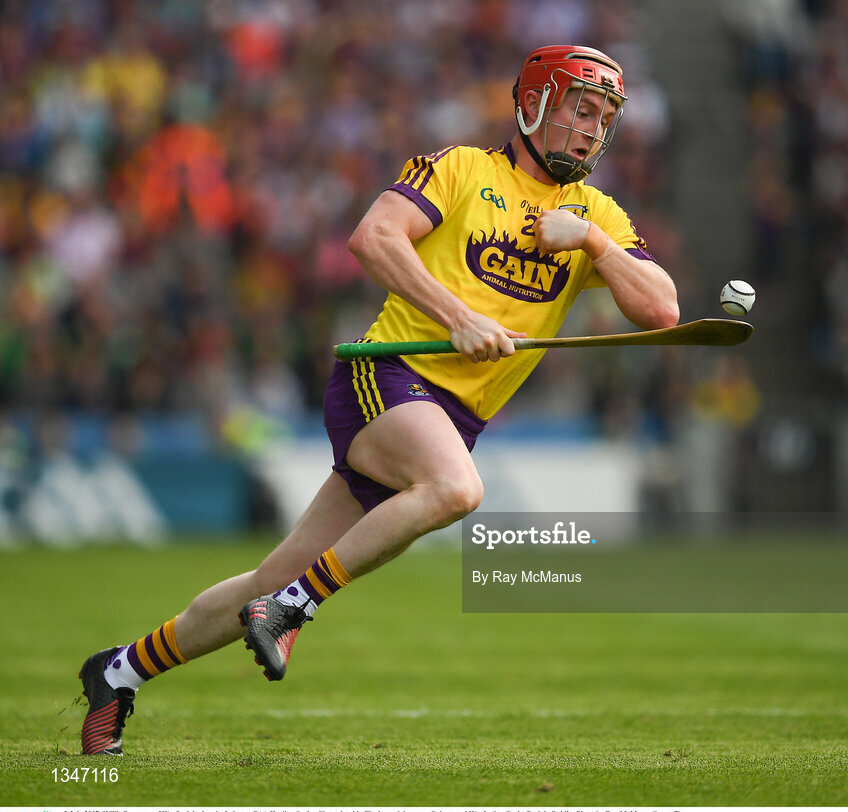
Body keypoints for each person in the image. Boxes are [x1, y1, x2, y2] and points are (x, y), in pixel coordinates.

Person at [78, 44, 679, 756]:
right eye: (582, 108)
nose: (592, 130)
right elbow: (374, 238)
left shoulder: (594, 215)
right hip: (387, 379)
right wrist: (457, 314)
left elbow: (663, 311)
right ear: (537, 103)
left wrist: (594, 244)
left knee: (267, 578)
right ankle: (293, 610)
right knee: (457, 490)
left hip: (451, 417)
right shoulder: (462, 170)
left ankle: (119, 672)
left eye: (604, 117)